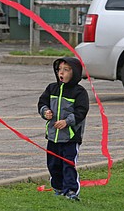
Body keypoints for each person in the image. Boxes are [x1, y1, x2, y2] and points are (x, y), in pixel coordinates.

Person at [38, 57, 89, 200]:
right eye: (60, 69)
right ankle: (58, 188)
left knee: (68, 164)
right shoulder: (51, 88)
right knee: (53, 164)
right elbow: (42, 102)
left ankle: (71, 191)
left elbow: (81, 111)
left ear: (75, 73)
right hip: (53, 136)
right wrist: (45, 111)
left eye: (66, 70)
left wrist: (67, 122)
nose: (62, 73)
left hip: (70, 138)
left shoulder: (79, 92)